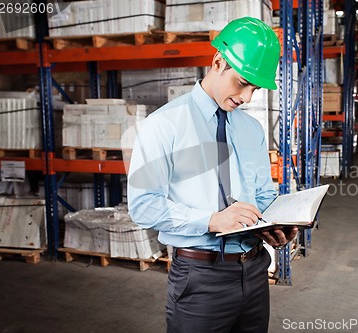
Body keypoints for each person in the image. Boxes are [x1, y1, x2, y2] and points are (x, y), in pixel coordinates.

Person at [127, 17, 298, 333]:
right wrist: (211, 220)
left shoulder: (251, 129)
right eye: (243, 83)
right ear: (218, 61)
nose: (247, 97)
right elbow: (143, 206)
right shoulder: (165, 125)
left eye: (255, 88)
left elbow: (262, 195)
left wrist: (279, 225)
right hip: (200, 278)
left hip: (256, 270)